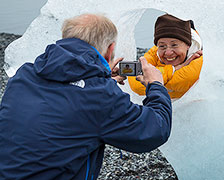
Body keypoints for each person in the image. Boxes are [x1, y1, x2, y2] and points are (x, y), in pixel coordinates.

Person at [0, 14, 172, 180]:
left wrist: (100, 77)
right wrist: (155, 85)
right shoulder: (99, 95)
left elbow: (69, 95)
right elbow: (154, 130)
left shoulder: (24, 75)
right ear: (110, 49)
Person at [128, 14, 203, 99]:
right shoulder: (155, 52)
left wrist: (157, 75)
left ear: (188, 45)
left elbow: (183, 81)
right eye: (162, 46)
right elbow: (136, 85)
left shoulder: (200, 58)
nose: (168, 53)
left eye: (174, 45)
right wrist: (175, 69)